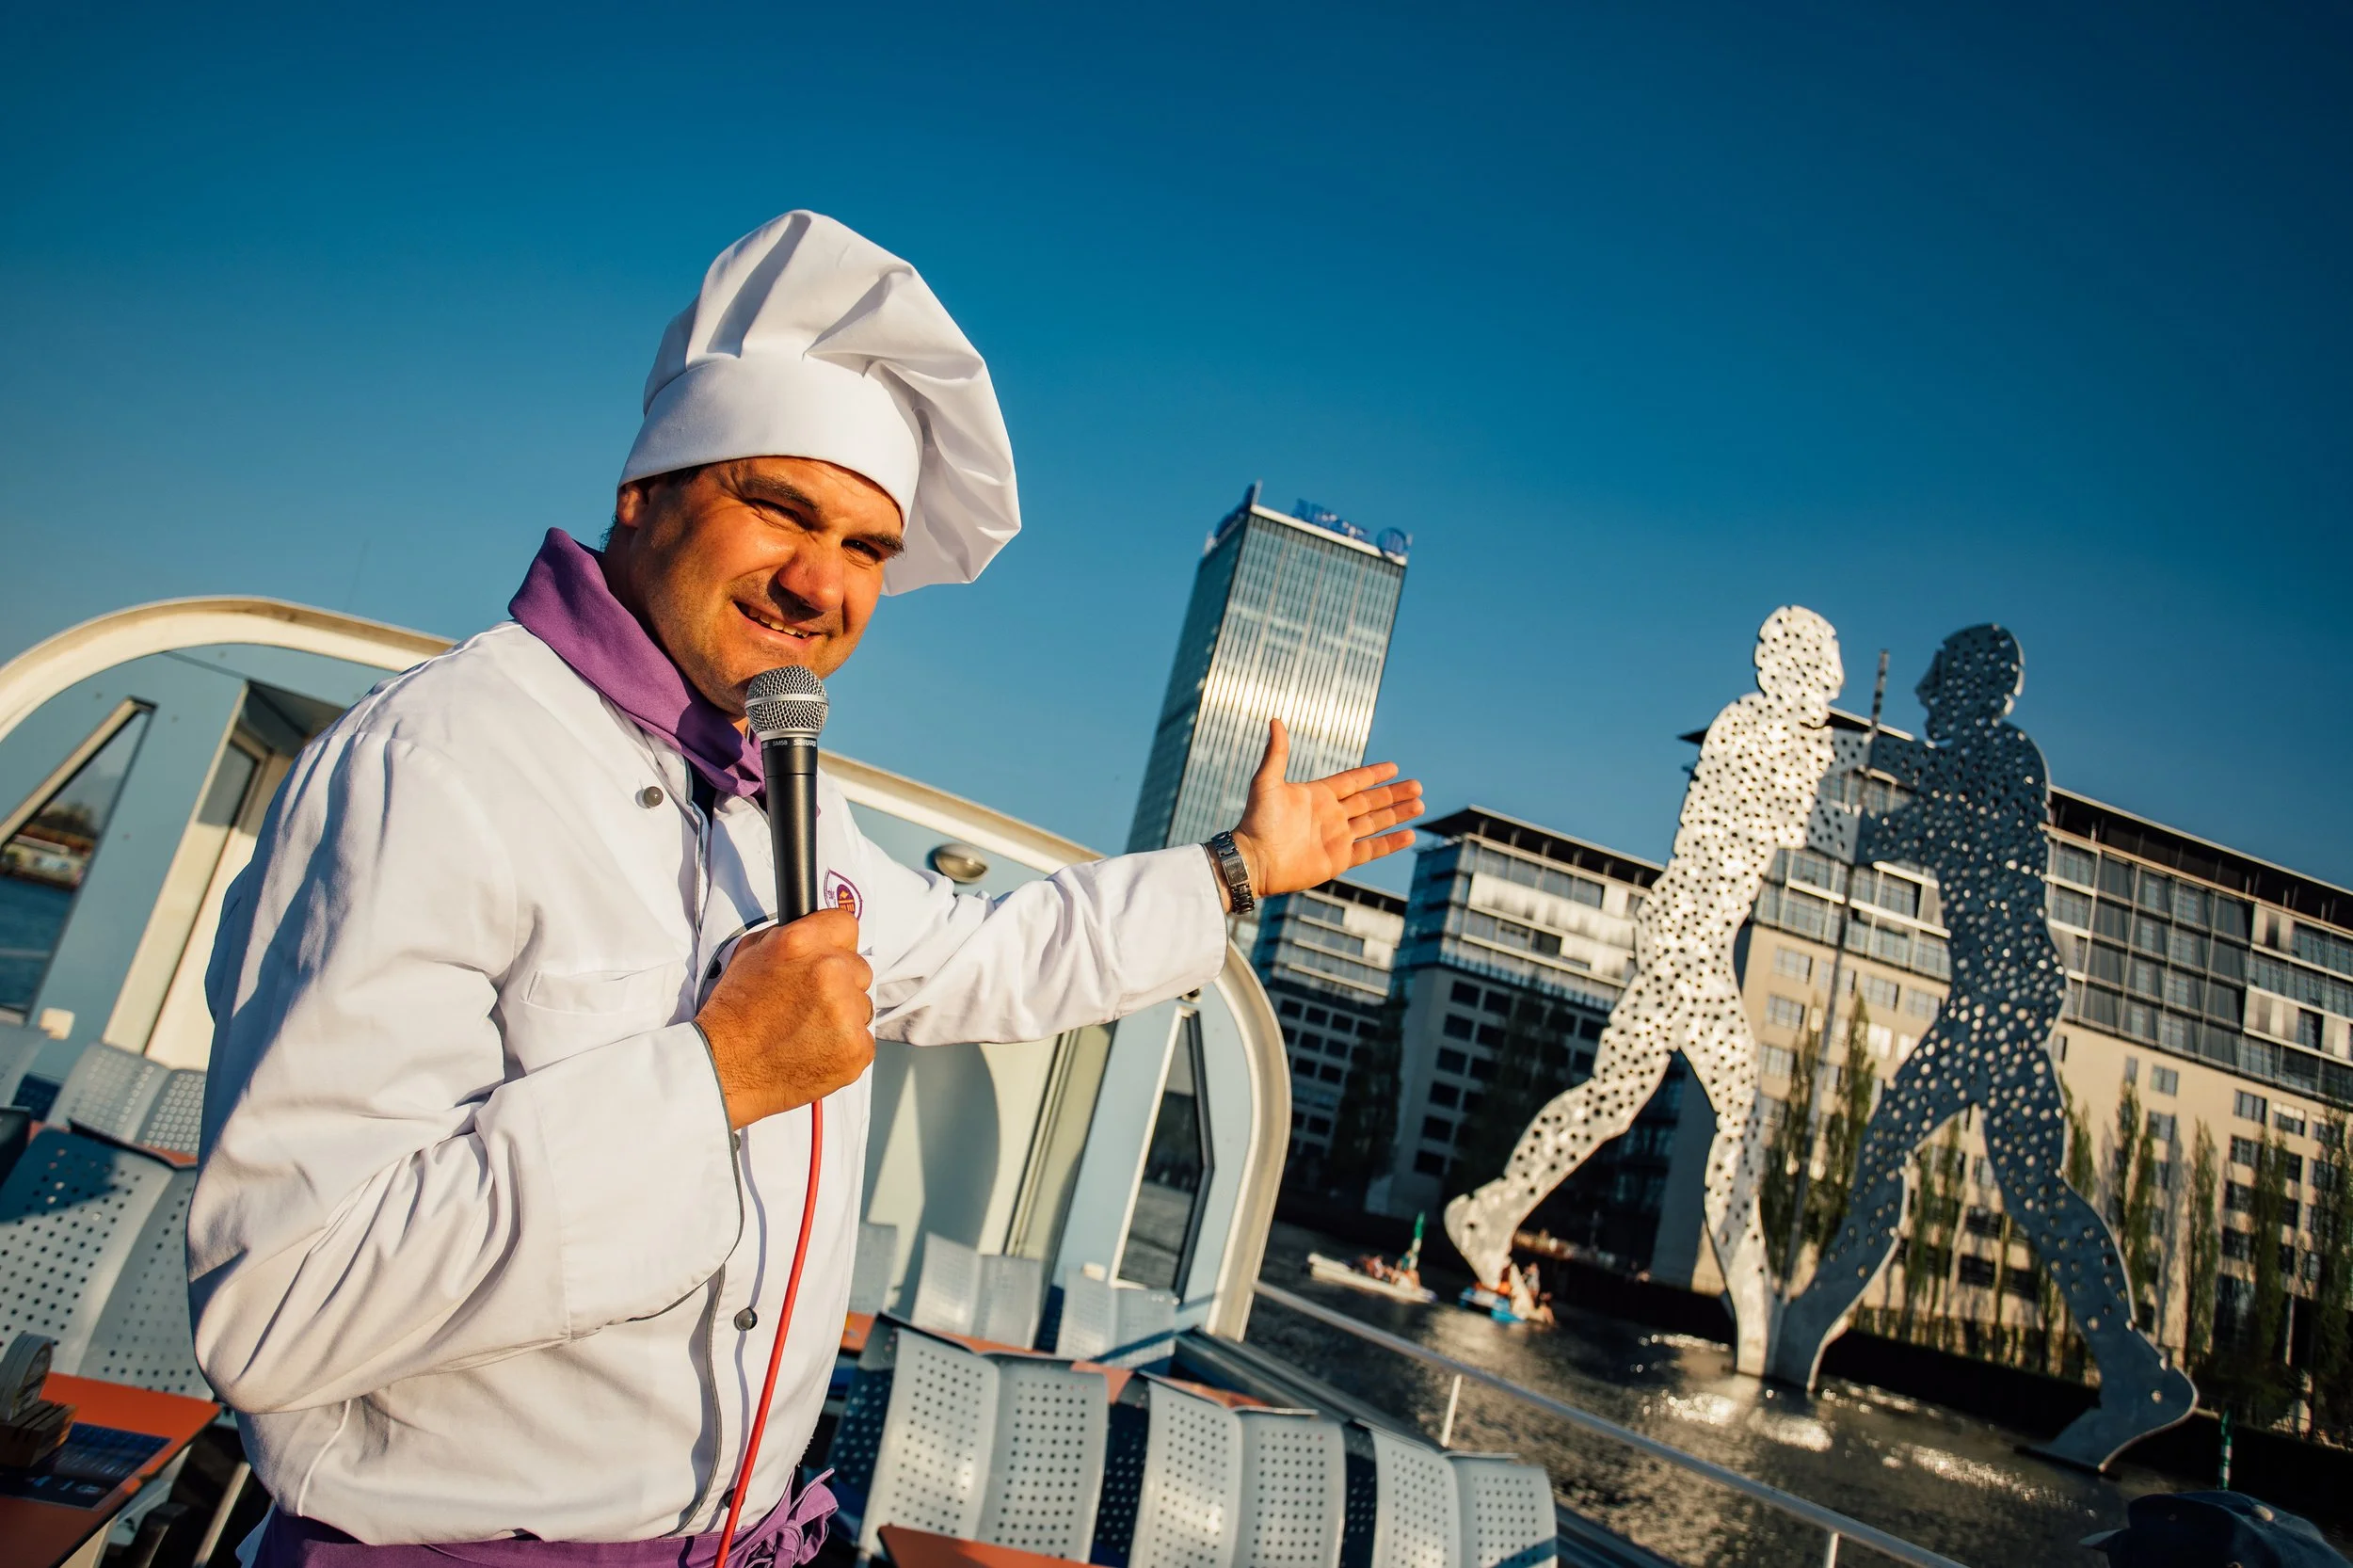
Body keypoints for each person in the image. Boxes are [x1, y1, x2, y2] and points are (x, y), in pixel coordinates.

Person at [189, 211, 1423, 1560]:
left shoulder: (781, 799)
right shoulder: (439, 762)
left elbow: (987, 958)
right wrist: (712, 1076)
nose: (818, 582)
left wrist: (1241, 869)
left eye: (867, 547)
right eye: (778, 507)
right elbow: (280, 1301)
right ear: (642, 494)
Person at [1768, 625, 2192, 1468]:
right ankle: (2132, 1373)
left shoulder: (2004, 762)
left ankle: (1808, 1325)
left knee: (1892, 1148)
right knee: (2030, 1190)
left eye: (1940, 679)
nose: (1924, 693)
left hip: (2003, 996)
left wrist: (1841, 749)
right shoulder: (1956, 795)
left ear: (1977, 690)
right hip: (1996, 999)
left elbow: (1922, 787)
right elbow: (1868, 841)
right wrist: (1786, 798)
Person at [1444, 607, 1841, 1374]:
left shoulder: (1773, 734)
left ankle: (1489, 1209)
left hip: (1687, 938)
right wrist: (1849, 774)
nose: (1829, 691)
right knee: (1741, 1115)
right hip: (1688, 943)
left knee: (1614, 1100)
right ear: (1789, 671)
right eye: (1821, 675)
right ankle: (1751, 1309)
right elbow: (1810, 830)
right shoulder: (1756, 729)